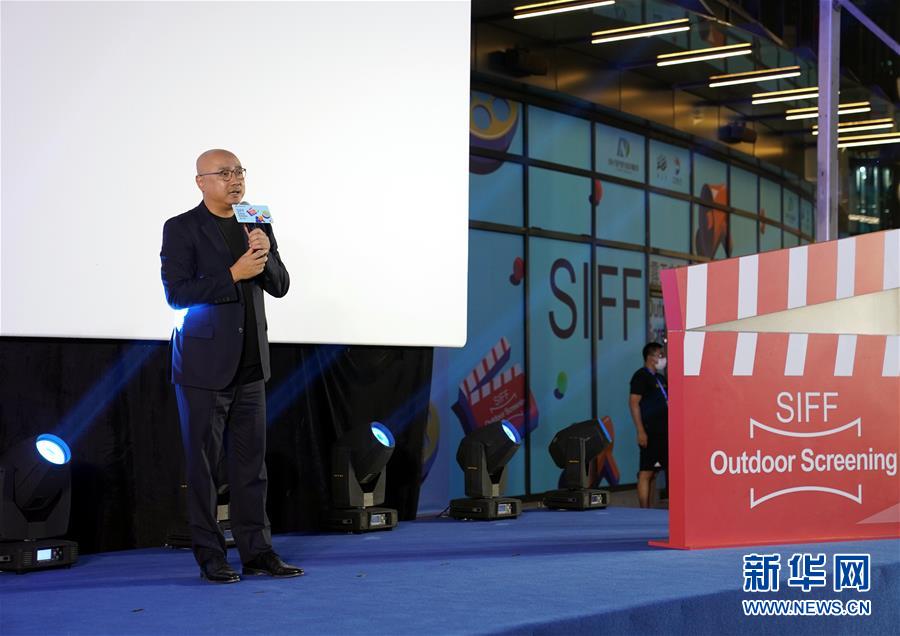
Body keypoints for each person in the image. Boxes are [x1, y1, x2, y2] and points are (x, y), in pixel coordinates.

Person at [160, 149, 302, 583]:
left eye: (239, 171)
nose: (235, 179)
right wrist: (234, 274)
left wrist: (266, 254)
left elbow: (280, 285)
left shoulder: (255, 221)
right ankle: (211, 557)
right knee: (204, 469)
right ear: (201, 182)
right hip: (203, 368)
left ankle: (258, 552)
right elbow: (177, 294)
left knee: (251, 468)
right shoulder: (181, 227)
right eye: (224, 173)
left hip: (251, 365)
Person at [628, 342, 668, 509]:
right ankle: (644, 510)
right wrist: (640, 431)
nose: (663, 358)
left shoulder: (660, 378)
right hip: (650, 431)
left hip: (665, 432)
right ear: (650, 357)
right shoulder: (640, 376)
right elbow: (633, 403)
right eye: (660, 355)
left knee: (659, 471)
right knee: (646, 471)